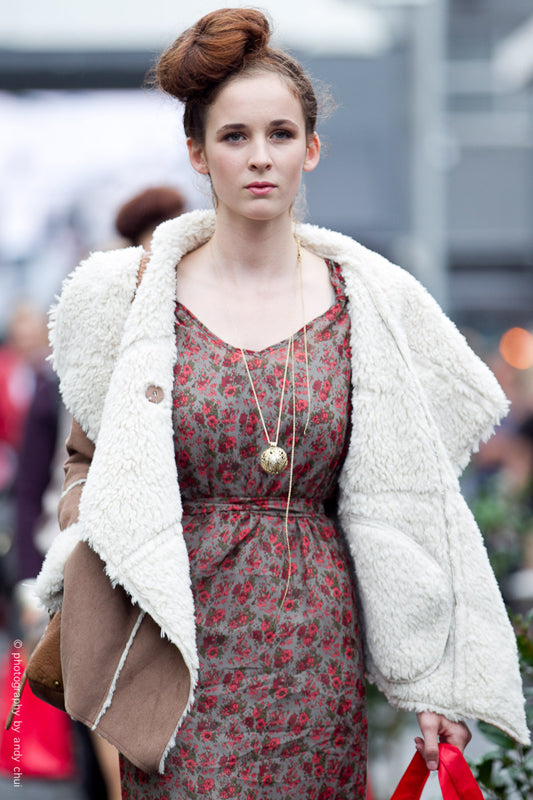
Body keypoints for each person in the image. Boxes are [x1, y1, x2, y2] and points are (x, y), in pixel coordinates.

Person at [34, 8, 529, 799]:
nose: (260, 156)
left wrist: (435, 681)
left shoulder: (368, 304)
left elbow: (412, 502)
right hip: (177, 645)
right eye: (234, 136)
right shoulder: (131, 300)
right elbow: (85, 463)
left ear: (311, 149)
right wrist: (94, 563)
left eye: (280, 134)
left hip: (317, 657)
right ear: (198, 153)